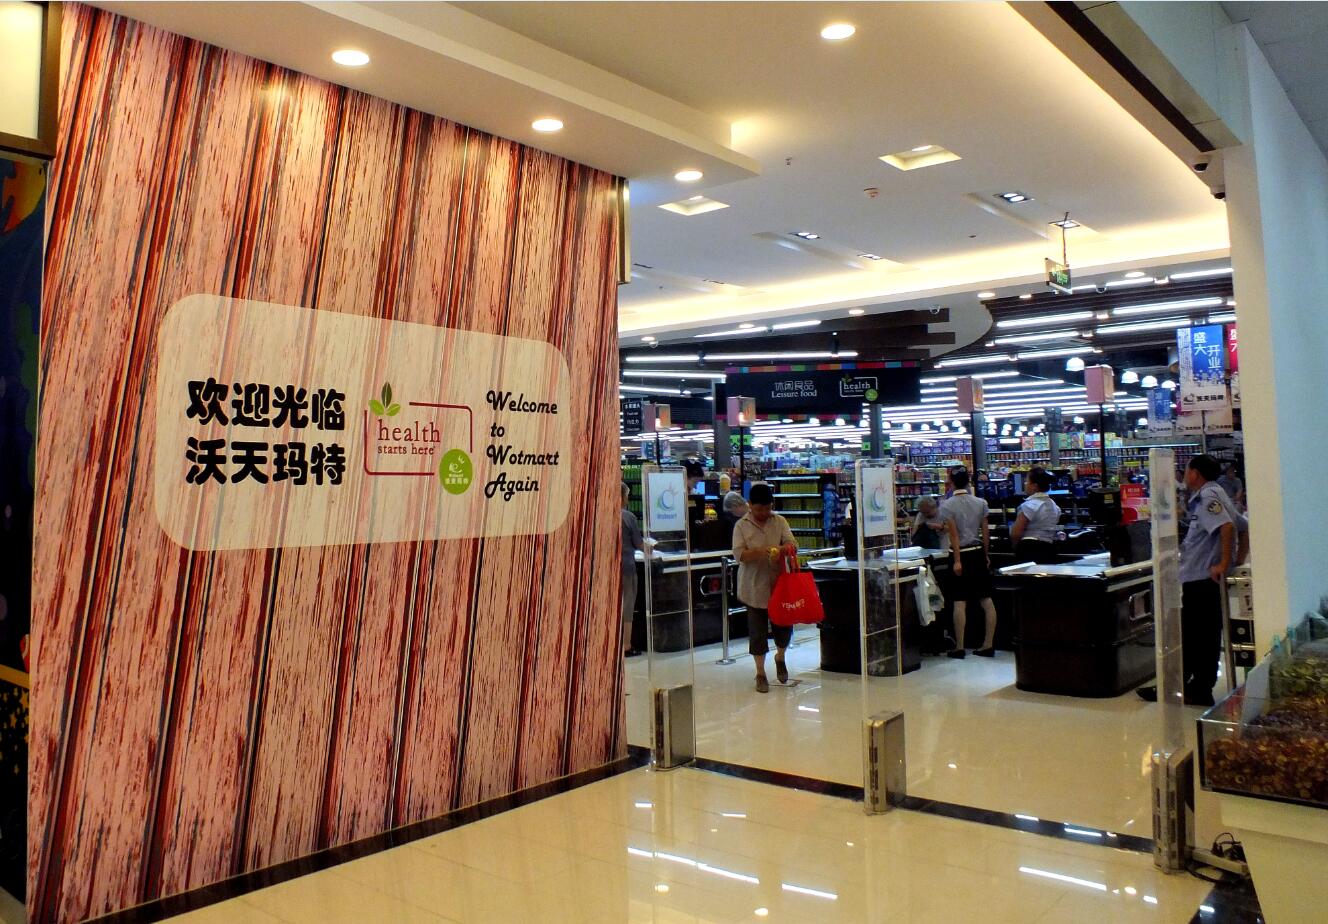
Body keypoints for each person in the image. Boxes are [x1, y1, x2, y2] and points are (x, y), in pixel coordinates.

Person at [1138, 455, 1236, 706]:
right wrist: (1233, 561)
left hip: (1201, 578)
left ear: (1196, 474)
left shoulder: (1208, 496)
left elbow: (1227, 527)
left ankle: (1195, 688)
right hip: (1202, 577)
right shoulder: (1217, 493)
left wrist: (1224, 563)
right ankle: (1187, 686)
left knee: (1198, 636)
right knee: (1200, 635)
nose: (1184, 473)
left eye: (1187, 469)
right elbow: (1241, 525)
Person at [732, 482, 797, 693]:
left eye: (767, 508)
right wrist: (762, 551)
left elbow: (793, 545)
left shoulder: (780, 521)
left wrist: (782, 550)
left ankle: (781, 656)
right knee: (757, 632)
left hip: (779, 586)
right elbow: (739, 554)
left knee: (784, 628)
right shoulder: (741, 526)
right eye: (759, 509)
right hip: (752, 587)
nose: (763, 513)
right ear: (750, 505)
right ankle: (760, 673)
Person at [940, 469, 998, 658]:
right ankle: (988, 644)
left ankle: (960, 646)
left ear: (952, 482)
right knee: (986, 599)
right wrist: (986, 555)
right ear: (968, 481)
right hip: (977, 552)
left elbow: (954, 535)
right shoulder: (981, 503)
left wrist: (957, 560)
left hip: (961, 554)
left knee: (959, 601)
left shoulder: (947, 505)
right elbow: (985, 532)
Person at [1011, 467, 1061, 564]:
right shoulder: (1055, 506)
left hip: (1030, 550)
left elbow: (1016, 534)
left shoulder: (1029, 506)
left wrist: (1015, 548)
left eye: (1027, 481)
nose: (1025, 484)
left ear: (1035, 486)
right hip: (1049, 550)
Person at [620, 482, 645, 657]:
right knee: (627, 604)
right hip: (626, 567)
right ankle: (626, 645)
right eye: (627, 495)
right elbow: (639, 544)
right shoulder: (628, 517)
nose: (628, 499)